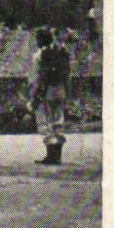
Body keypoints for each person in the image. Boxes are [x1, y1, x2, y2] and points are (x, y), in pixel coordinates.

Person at [29, 27, 70, 166]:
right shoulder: (60, 53)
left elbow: (37, 77)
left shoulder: (39, 55)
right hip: (60, 90)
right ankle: (57, 156)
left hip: (46, 91)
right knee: (57, 122)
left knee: (46, 123)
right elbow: (66, 74)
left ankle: (51, 156)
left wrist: (34, 94)